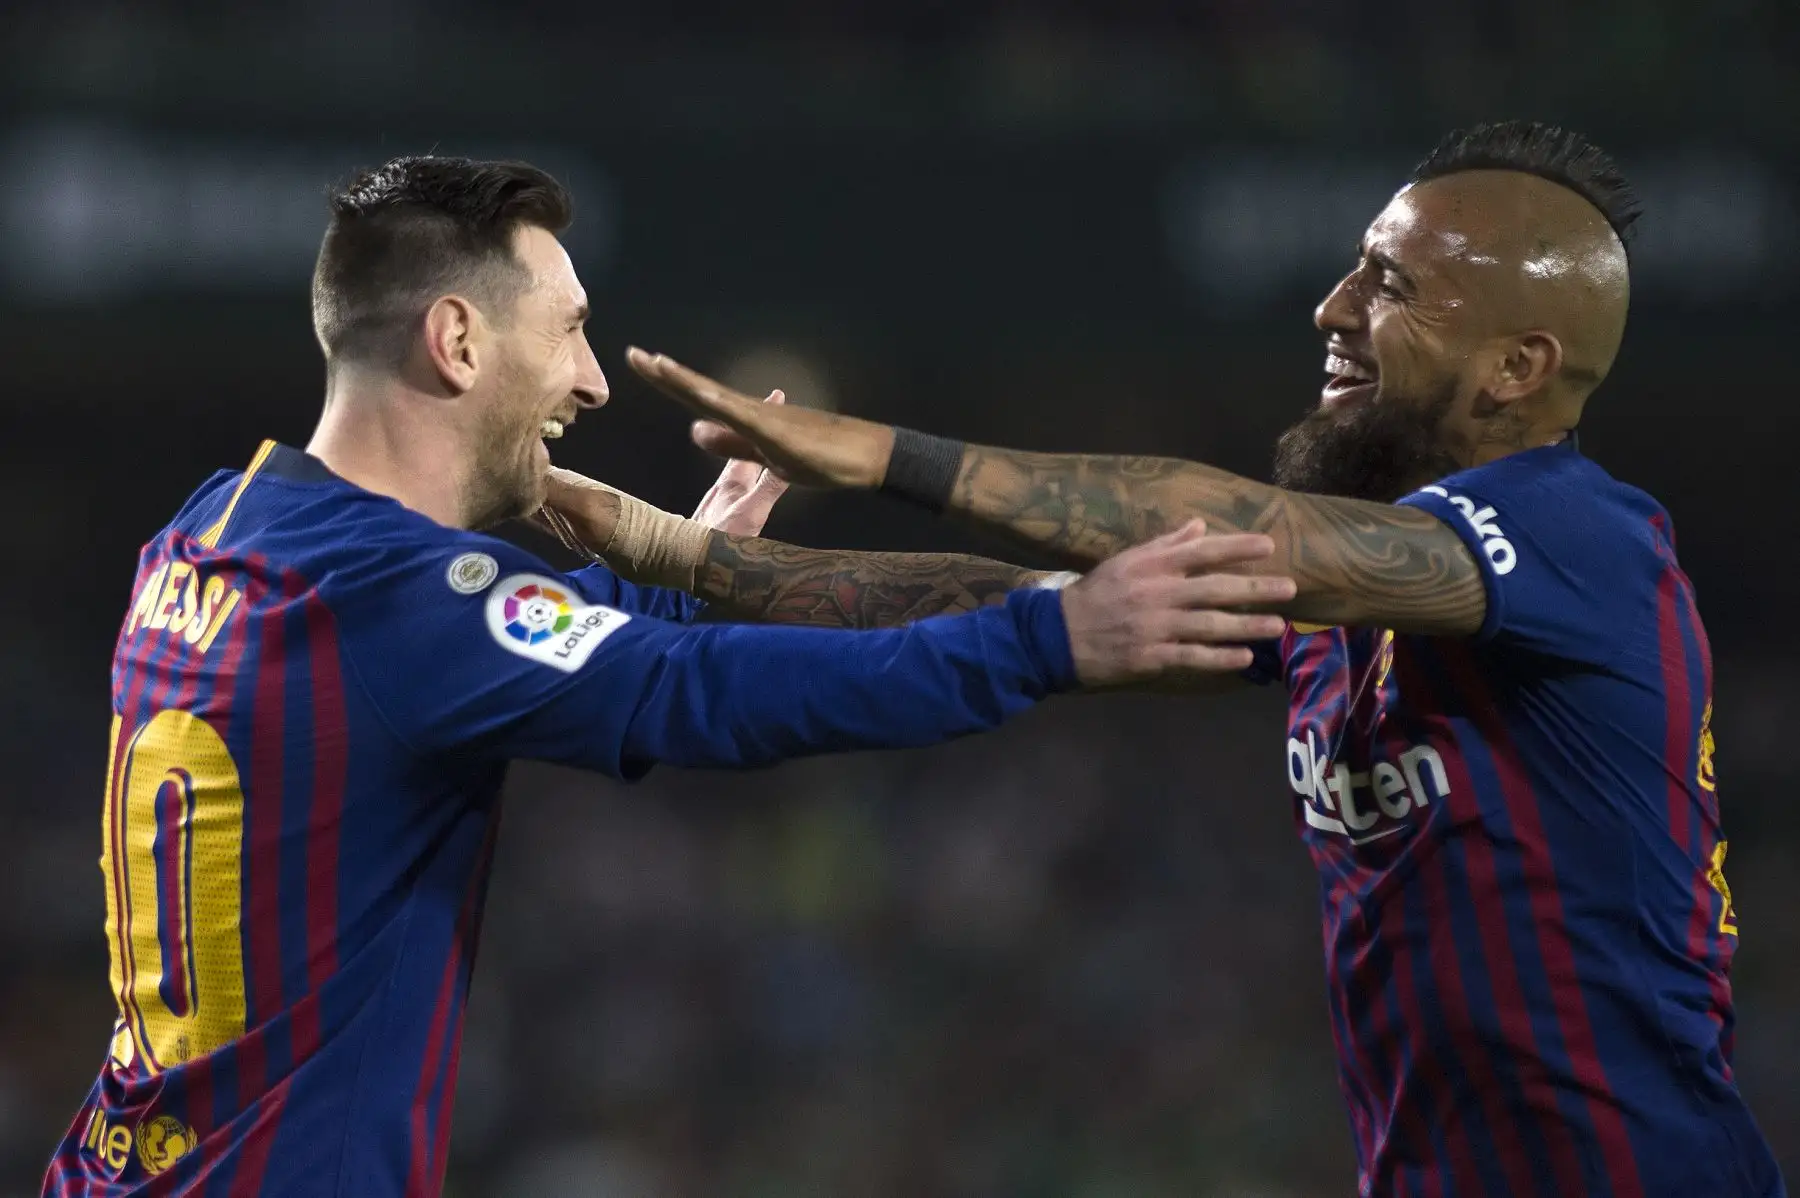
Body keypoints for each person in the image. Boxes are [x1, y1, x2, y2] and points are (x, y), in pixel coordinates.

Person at [39, 156, 1295, 1198]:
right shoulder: (397, 603)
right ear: (458, 338)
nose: (588, 380)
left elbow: (481, 649)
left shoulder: (215, 531)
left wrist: (676, 573)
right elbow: (707, 693)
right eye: (571, 329)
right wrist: (1055, 637)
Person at [583, 122, 1785, 1198]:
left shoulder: (1587, 539)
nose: (1332, 307)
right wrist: (692, 562)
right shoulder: (1350, 597)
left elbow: (1226, 521)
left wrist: (883, 451)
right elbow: (1006, 604)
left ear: (1518, 369)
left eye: (1391, 285)